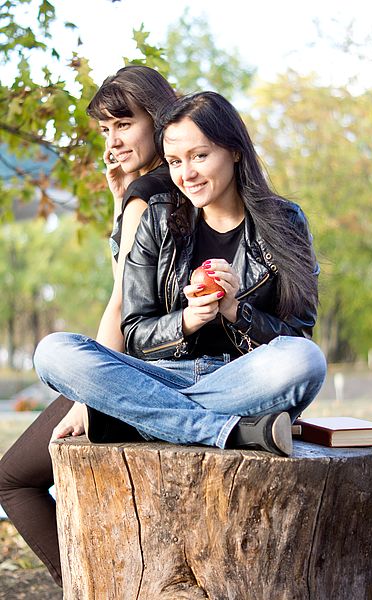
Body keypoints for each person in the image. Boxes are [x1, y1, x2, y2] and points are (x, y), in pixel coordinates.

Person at [33, 91, 327, 460]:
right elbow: (136, 332)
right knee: (54, 351)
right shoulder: (158, 218)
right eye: (174, 161)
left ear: (234, 151)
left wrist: (237, 313)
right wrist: (185, 321)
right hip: (159, 375)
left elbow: (297, 334)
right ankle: (230, 432)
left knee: (305, 360)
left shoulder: (284, 222)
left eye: (199, 156)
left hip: (242, 380)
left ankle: (138, 420)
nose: (186, 175)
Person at [0, 65, 177, 587]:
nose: (113, 140)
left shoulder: (149, 196)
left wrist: (87, 394)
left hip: (137, 370)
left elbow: (123, 302)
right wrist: (121, 200)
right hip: (172, 363)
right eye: (105, 130)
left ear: (159, 118)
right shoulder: (181, 185)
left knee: (11, 480)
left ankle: (85, 589)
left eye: (124, 124)